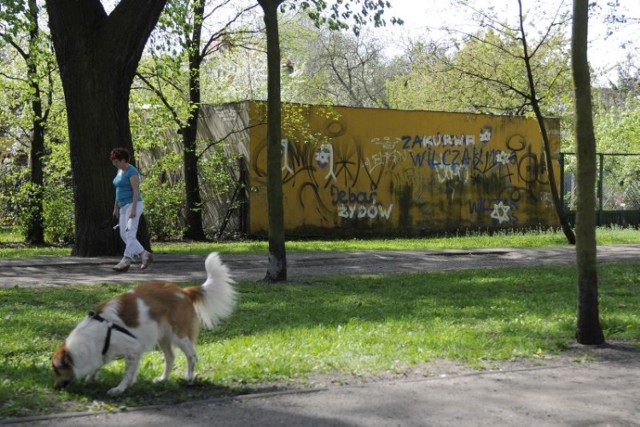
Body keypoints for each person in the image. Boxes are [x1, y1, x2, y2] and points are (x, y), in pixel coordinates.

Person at [110, 147, 153, 272]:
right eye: (113, 162)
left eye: (116, 162)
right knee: (124, 234)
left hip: (133, 205)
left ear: (123, 160)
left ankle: (126, 260)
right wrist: (115, 208)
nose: (115, 164)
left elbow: (136, 191)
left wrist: (133, 209)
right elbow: (118, 190)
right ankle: (144, 254)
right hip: (123, 206)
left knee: (130, 233)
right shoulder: (119, 171)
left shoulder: (132, 172)